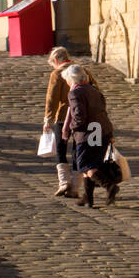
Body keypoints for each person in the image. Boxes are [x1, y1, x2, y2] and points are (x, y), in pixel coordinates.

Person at [61, 65, 122, 209]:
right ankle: (88, 198)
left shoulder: (75, 93)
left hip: (87, 134)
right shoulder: (95, 91)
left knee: (85, 166)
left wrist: (71, 128)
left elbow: (79, 116)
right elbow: (103, 113)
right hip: (102, 131)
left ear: (72, 79)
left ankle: (109, 186)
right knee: (91, 164)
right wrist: (110, 135)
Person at [43, 47, 75, 198]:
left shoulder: (57, 73)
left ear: (56, 60)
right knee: (78, 150)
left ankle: (64, 182)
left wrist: (48, 119)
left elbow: (52, 98)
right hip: (81, 115)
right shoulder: (81, 69)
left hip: (63, 116)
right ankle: (76, 186)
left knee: (60, 150)